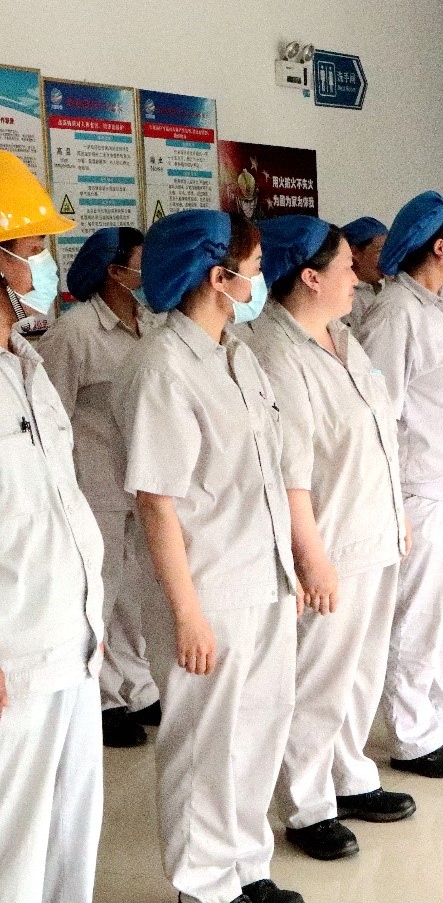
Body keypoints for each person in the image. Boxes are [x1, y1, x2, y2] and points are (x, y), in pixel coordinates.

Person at [111, 209, 304, 903]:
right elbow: (156, 503)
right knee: (204, 743)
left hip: (263, 576)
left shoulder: (236, 355)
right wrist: (187, 614)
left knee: (258, 728)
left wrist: (292, 569)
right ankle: (203, 885)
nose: (260, 280)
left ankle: (247, 867)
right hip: (208, 588)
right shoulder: (162, 367)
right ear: (219, 278)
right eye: (252, 269)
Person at [249, 216, 416, 862]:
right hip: (331, 543)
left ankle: (349, 775)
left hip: (372, 531)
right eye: (347, 264)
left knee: (361, 670)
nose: (358, 275)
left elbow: (379, 434)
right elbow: (290, 471)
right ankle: (308, 804)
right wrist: (311, 557)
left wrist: (397, 513)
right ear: (310, 277)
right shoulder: (276, 352)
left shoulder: (342, 336)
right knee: (319, 679)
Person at [355, 191, 443, 777]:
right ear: (439, 248)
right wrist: (392, 503)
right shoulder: (396, 315)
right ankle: (411, 733)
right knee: (417, 617)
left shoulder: (436, 307)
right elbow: (378, 413)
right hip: (421, 490)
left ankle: (437, 714)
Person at [0, 150, 105, 903]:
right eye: (33, 247)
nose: (44, 263)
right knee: (14, 838)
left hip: (71, 636)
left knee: (71, 826)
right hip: (13, 652)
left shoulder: (26, 364)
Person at [40, 226, 163, 749]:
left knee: (138, 593)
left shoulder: (151, 324)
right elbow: (50, 415)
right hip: (95, 487)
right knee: (103, 595)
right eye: (141, 263)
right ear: (115, 272)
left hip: (143, 485)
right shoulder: (75, 333)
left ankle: (138, 686)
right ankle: (105, 700)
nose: (151, 272)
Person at [341, 216, 387, 332]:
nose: (386, 259)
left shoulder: (378, 289)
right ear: (354, 252)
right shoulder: (345, 297)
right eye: (380, 251)